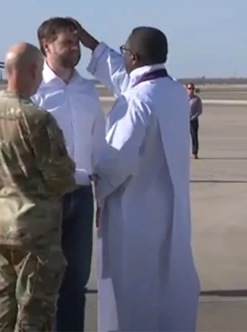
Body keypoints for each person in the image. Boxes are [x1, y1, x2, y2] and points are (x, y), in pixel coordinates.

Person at [70, 18, 200, 332]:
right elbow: (125, 79)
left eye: (125, 50)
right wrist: (91, 43)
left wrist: (94, 183)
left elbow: (119, 158)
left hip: (133, 210)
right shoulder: (173, 92)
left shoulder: (138, 100)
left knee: (131, 287)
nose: (123, 55)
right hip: (169, 208)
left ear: (135, 58)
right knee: (168, 283)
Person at [0, 41, 77, 331]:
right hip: (34, 230)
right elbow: (60, 177)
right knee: (35, 311)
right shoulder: (38, 119)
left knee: (3, 300)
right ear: (33, 71)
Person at [30, 17, 106, 332]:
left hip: (81, 195)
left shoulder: (87, 90)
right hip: (45, 198)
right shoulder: (35, 91)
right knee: (41, 282)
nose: (75, 48)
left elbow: (99, 145)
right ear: (47, 46)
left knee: (76, 282)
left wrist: (102, 196)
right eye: (67, 42)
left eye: (76, 43)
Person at [187, 82, 203, 159]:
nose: (191, 90)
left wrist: (192, 117)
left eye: (192, 88)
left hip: (193, 121)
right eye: (189, 88)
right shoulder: (183, 98)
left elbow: (199, 111)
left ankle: (194, 152)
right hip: (184, 120)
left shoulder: (196, 99)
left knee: (194, 137)